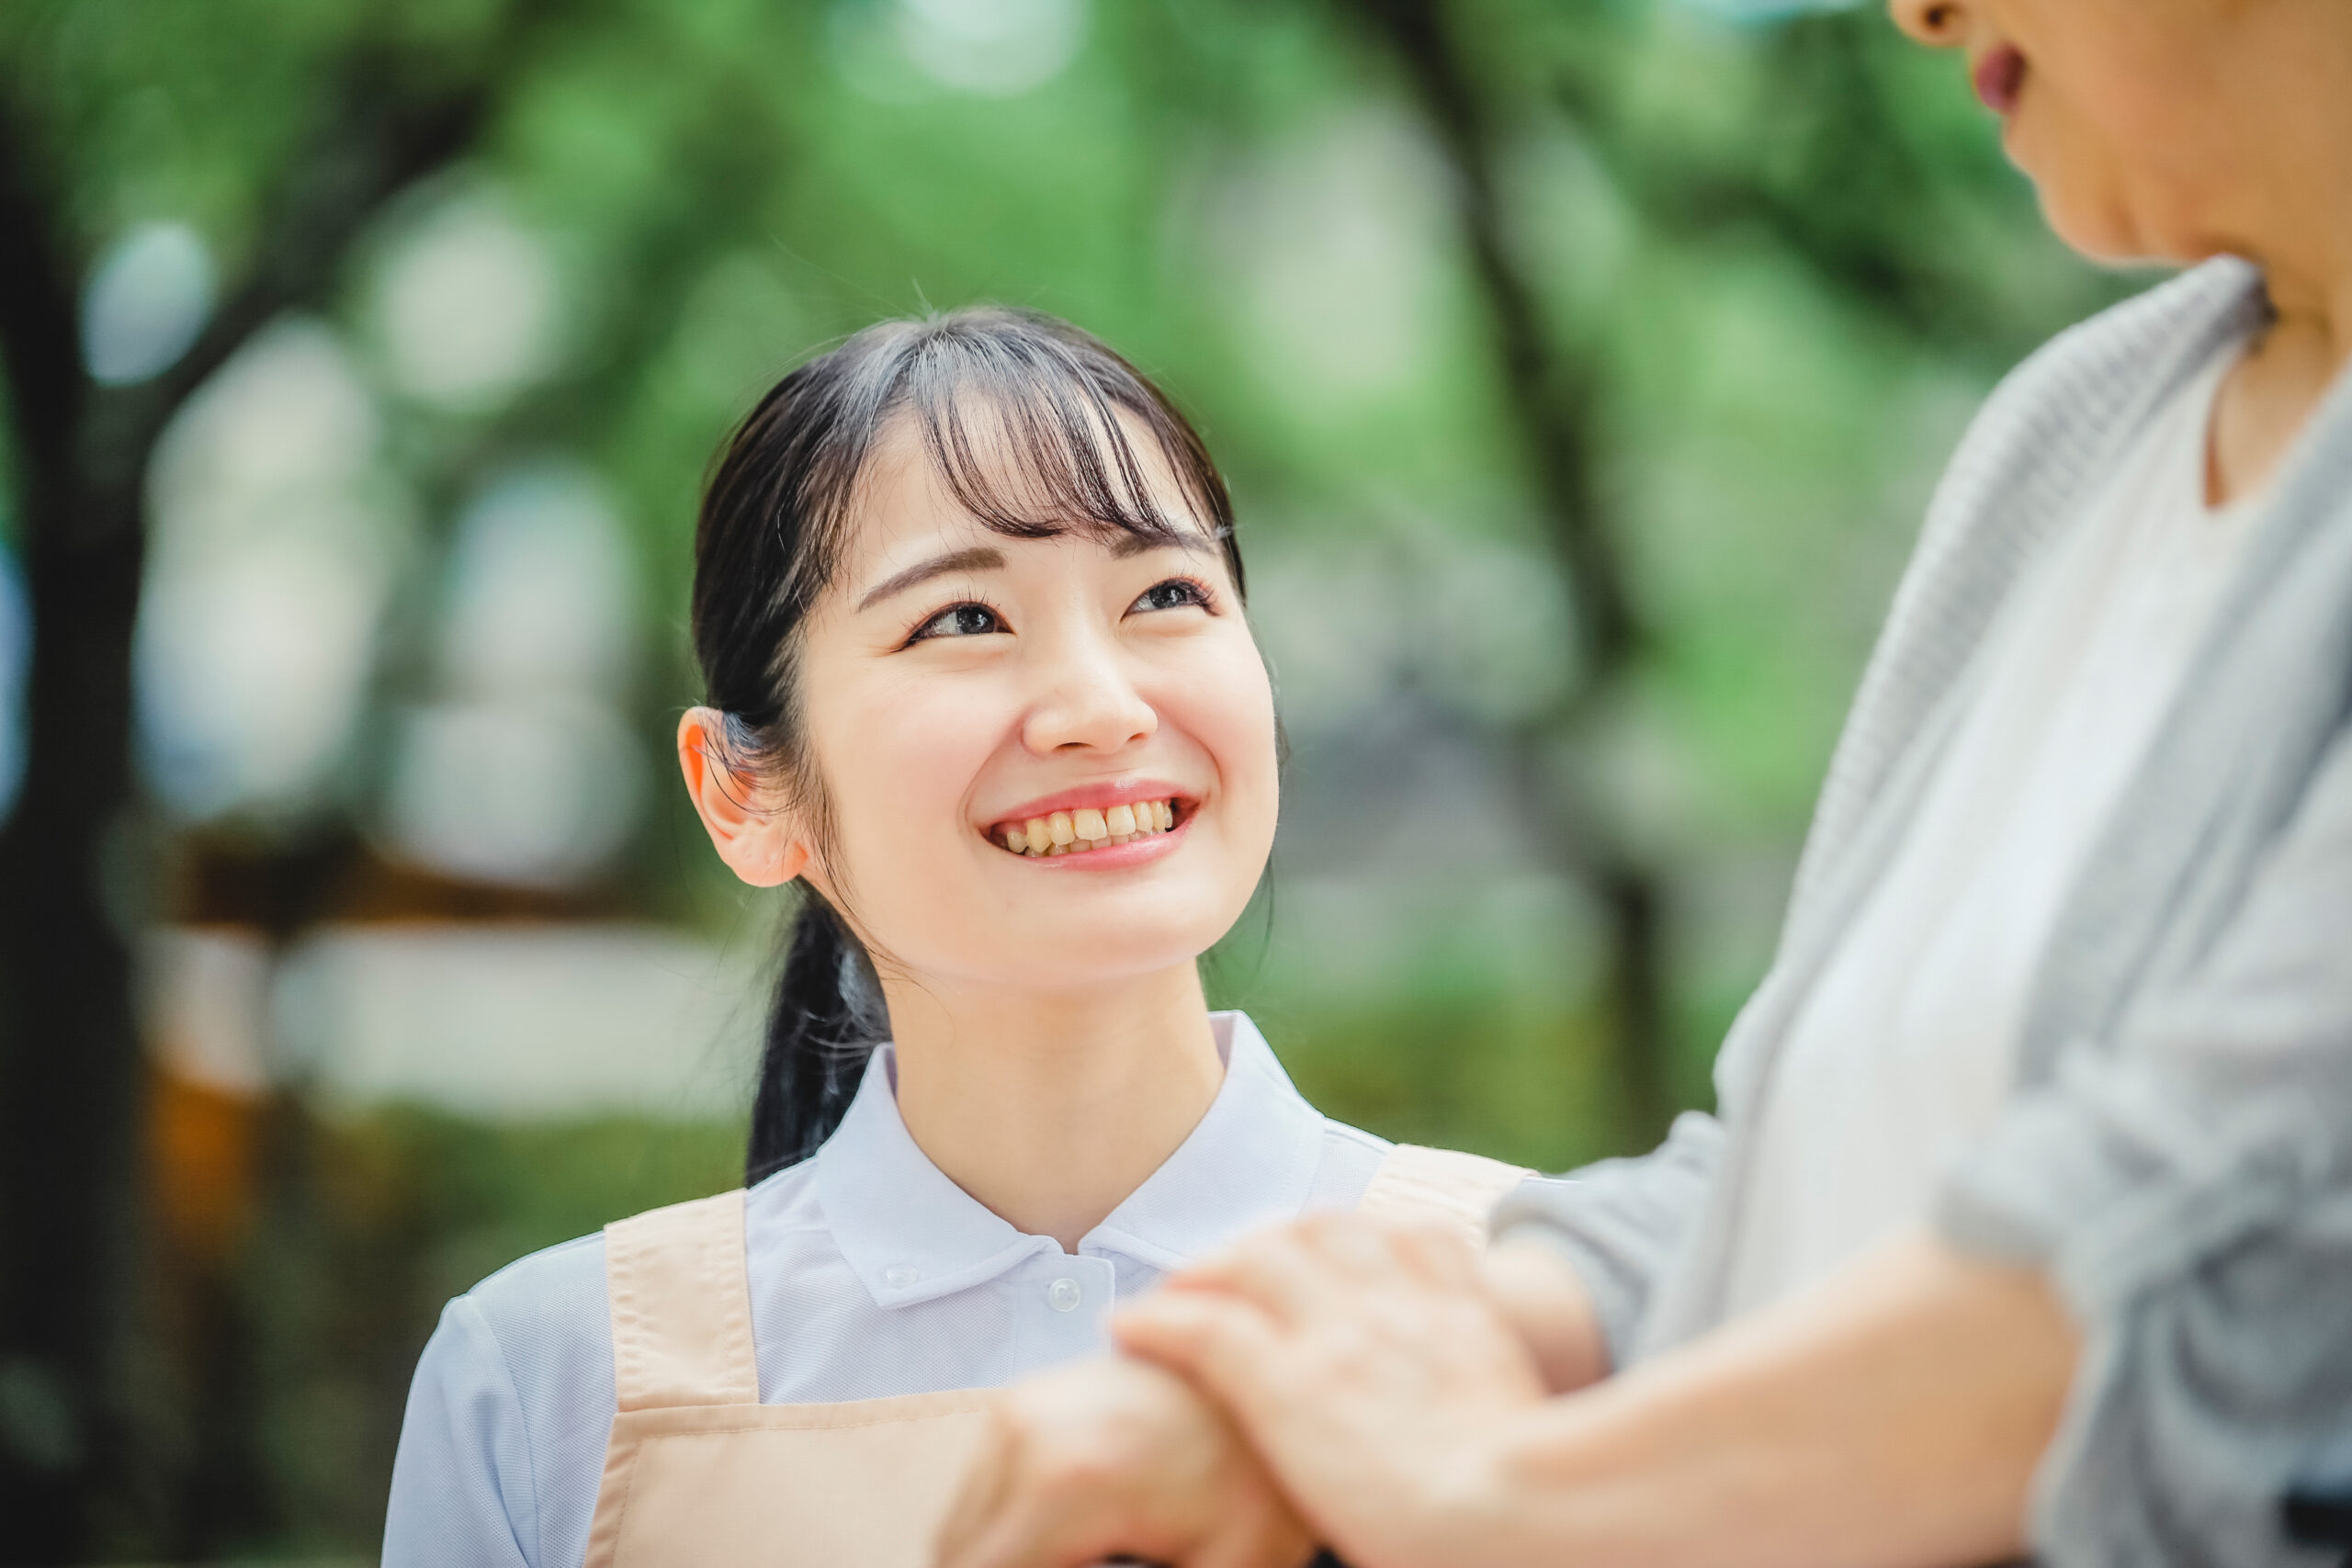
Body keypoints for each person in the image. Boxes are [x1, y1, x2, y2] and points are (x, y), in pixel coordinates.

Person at [931, 1, 2352, 1564]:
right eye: (961, 621)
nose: (1918, 11)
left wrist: (1485, 1498)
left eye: (1169, 596)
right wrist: (1323, 1370)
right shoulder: (2078, 433)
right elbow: (1801, 1176)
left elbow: (2223, 1230)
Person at [379, 308, 1533, 1568]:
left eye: (1165, 593)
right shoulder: (550, 1387)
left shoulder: (1547, 1300)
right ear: (742, 792)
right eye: (964, 620)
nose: (1098, 706)